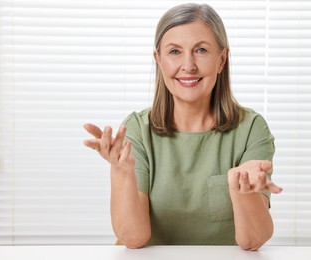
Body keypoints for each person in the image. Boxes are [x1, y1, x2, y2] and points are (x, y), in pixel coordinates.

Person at [83, 3, 282, 250]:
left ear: (222, 59)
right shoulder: (137, 130)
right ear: (158, 60)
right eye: (175, 52)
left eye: (200, 50)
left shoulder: (251, 129)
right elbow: (133, 238)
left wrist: (245, 191)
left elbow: (253, 241)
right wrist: (121, 172)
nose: (188, 65)